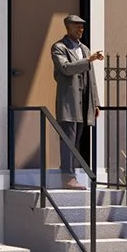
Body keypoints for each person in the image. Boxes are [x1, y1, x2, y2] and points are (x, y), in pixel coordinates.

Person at [51, 14, 101, 189]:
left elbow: (92, 78)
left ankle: (72, 173)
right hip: (68, 103)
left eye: (82, 27)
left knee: (76, 139)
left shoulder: (85, 49)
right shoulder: (59, 48)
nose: (81, 29)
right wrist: (88, 60)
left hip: (84, 102)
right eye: (77, 26)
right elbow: (65, 68)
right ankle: (67, 176)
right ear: (68, 27)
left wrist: (95, 102)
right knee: (67, 140)